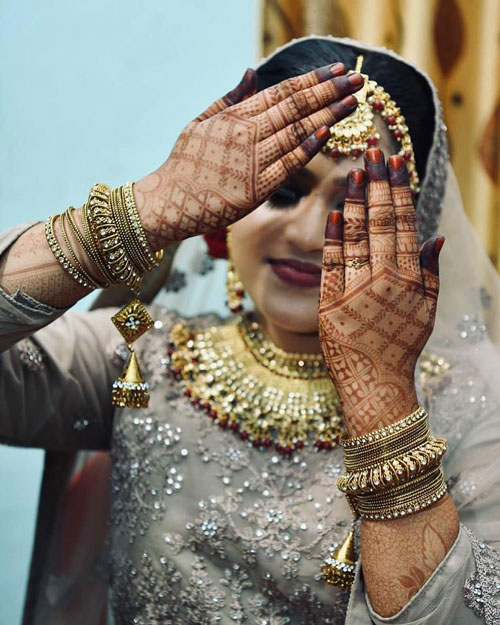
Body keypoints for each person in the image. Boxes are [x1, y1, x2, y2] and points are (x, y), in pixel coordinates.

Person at [0, 35, 499, 625]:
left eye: (356, 209)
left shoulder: (471, 403)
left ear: (410, 235)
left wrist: (381, 393)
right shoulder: (139, 358)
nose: (310, 234)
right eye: (281, 192)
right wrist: (145, 208)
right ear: (220, 206)